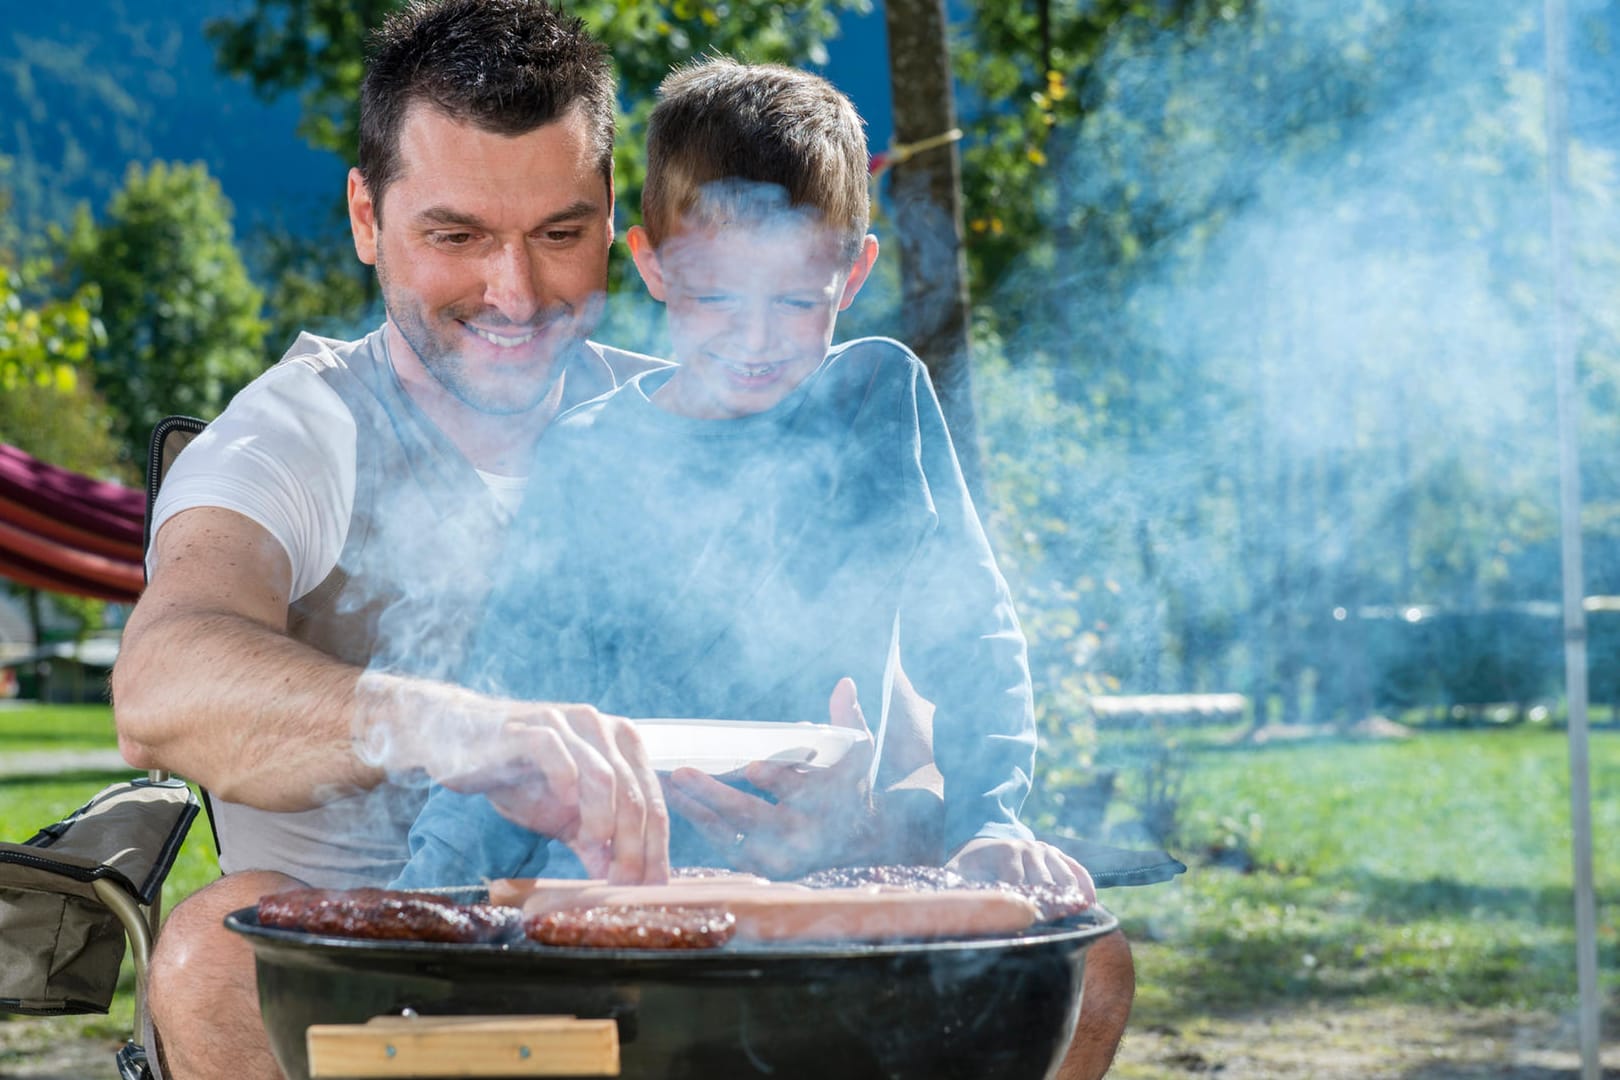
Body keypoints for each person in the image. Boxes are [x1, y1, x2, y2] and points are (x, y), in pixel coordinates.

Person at [111, 3, 1132, 1077]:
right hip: (430, 955)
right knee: (212, 953)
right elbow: (162, 683)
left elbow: (925, 691)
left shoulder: (708, 409)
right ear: (368, 218)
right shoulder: (303, 429)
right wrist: (462, 730)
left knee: (1080, 961)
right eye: (456, 235)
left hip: (704, 942)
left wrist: (864, 821)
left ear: (614, 233)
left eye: (557, 233)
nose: (514, 290)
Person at [389, 58, 1135, 1080]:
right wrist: (423, 897)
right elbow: (508, 692)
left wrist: (991, 820)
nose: (754, 341)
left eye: (797, 301)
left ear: (855, 273)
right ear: (648, 266)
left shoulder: (878, 400)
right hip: (615, 891)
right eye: (711, 299)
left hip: (827, 887)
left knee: (1093, 963)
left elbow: (972, 628)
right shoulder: (591, 451)